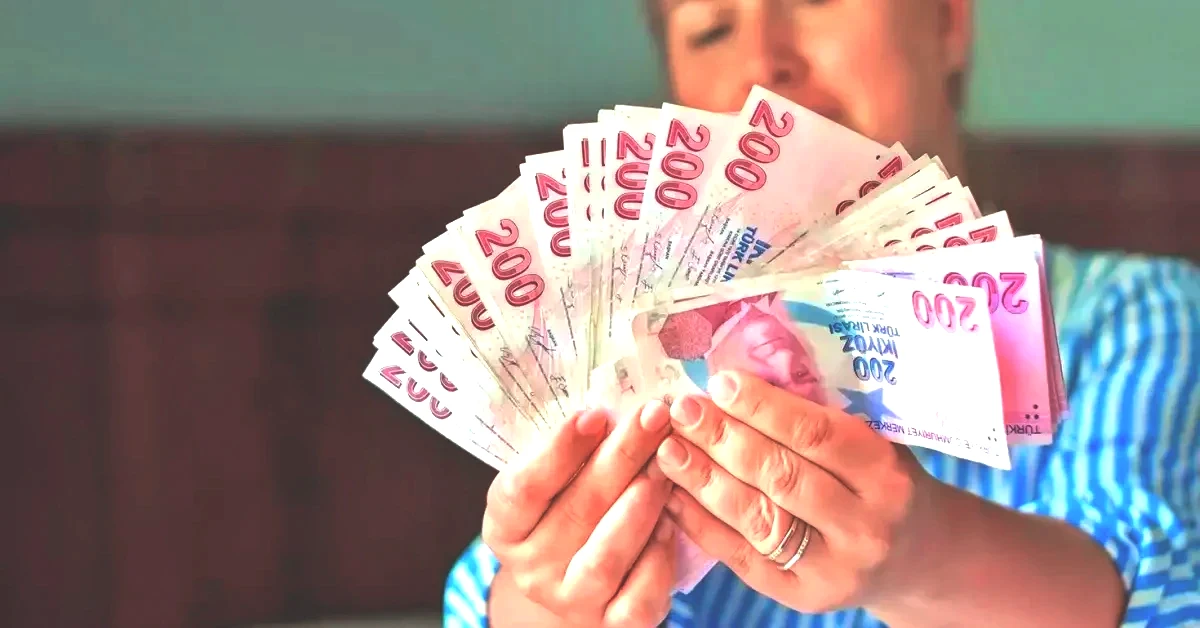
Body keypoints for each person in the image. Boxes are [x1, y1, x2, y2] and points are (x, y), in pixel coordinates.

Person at [444, 0, 1200, 625]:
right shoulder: (632, 361)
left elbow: (1159, 582)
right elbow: (499, 593)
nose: (762, 62)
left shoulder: (1131, 315)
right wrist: (554, 594)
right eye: (711, 28)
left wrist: (927, 557)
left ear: (948, 19)